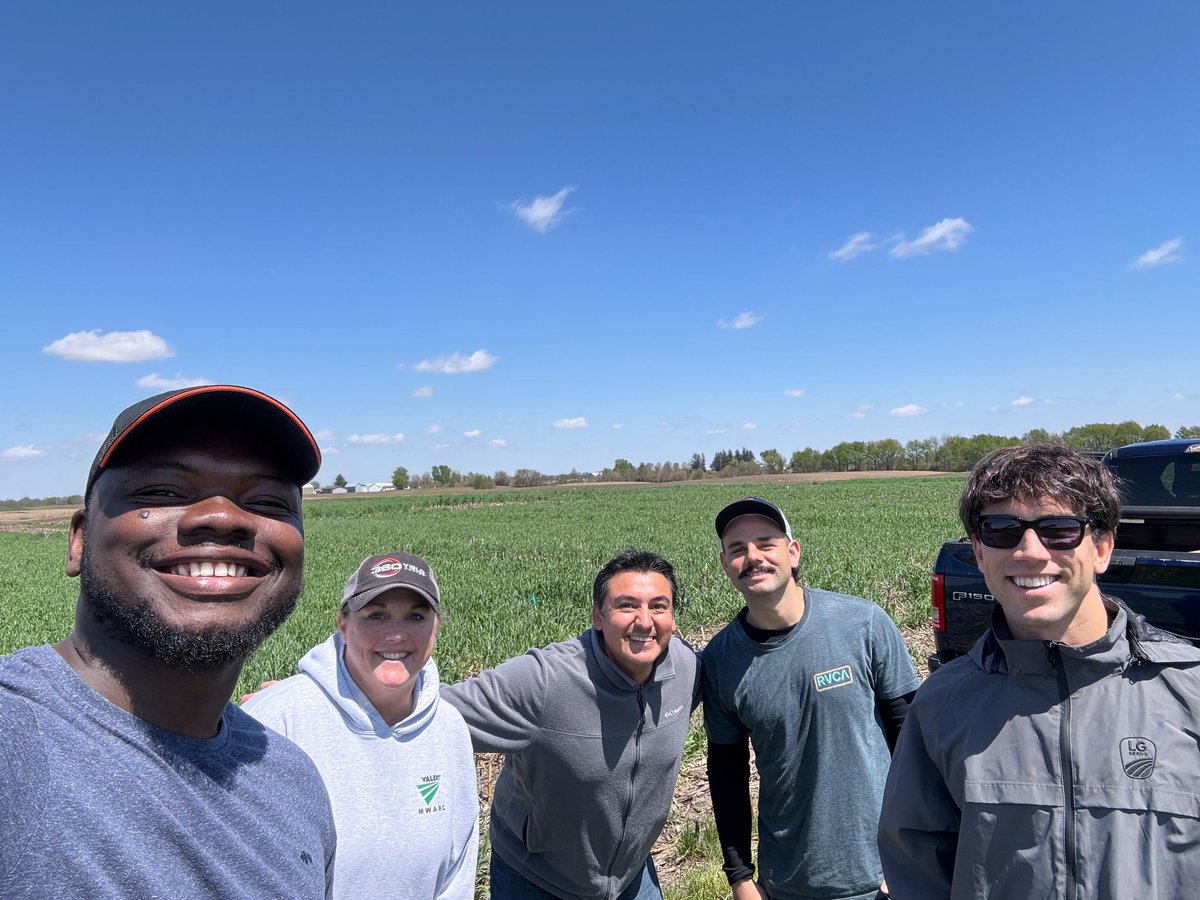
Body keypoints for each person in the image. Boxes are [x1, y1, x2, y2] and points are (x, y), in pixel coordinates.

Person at [0, 385, 336, 897]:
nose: (224, 517)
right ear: (79, 540)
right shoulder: (14, 741)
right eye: (161, 491)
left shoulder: (294, 783)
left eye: (268, 501)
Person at [878, 444, 1200, 898]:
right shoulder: (940, 707)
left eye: (1059, 529)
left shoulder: (1190, 692)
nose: (1030, 551)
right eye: (1002, 530)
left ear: (1103, 548)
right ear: (979, 550)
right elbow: (917, 873)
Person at [441, 548, 700, 900]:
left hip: (631, 877)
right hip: (537, 879)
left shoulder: (686, 670)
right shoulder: (547, 681)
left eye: (658, 606)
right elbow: (437, 712)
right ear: (598, 615)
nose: (644, 621)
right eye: (626, 605)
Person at [703, 497, 920, 900]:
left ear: (793, 552)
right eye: (737, 549)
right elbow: (726, 776)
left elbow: (914, 740)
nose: (753, 557)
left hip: (883, 878)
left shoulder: (863, 623)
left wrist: (914, 853)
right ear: (725, 564)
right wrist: (739, 878)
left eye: (766, 543)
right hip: (787, 881)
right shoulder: (720, 660)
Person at [243, 552, 478, 899]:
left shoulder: (449, 728)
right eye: (376, 615)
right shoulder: (277, 722)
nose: (396, 635)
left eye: (415, 616)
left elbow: (457, 873)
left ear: (436, 626)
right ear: (343, 622)